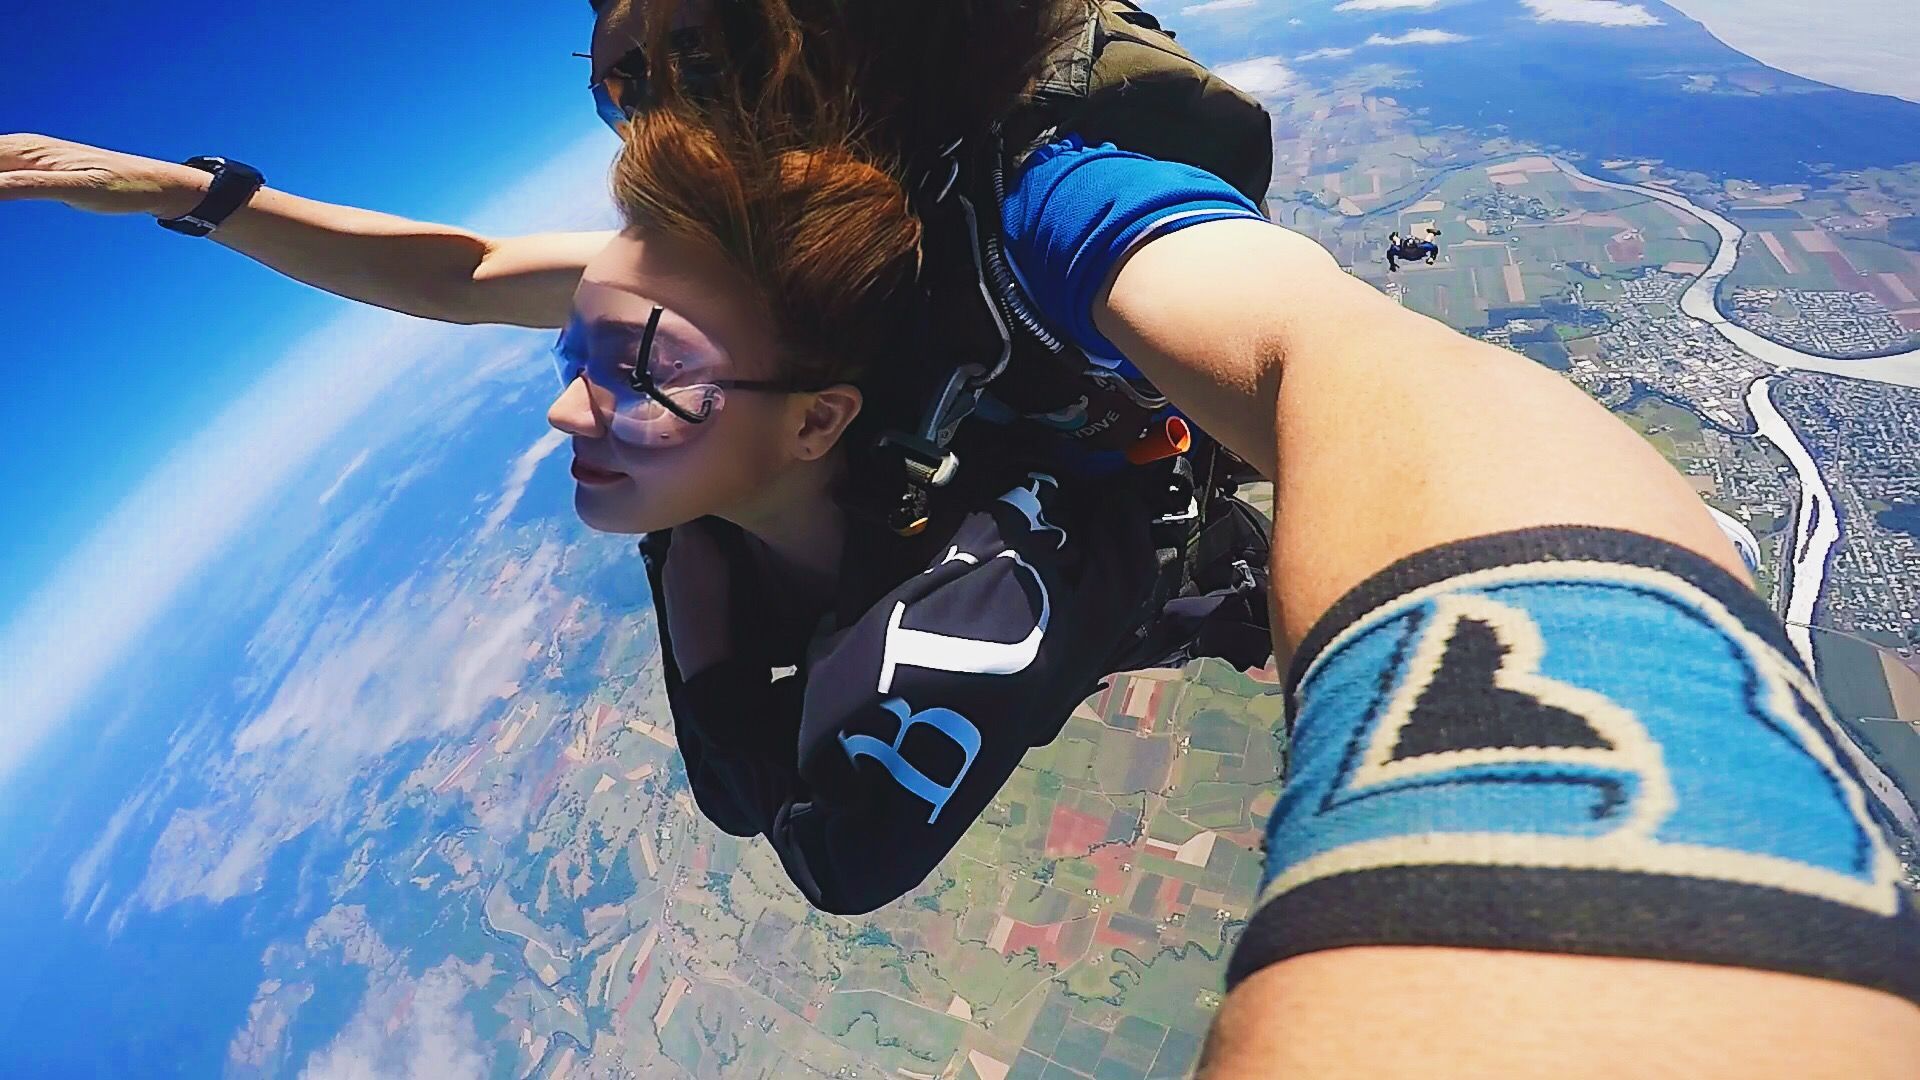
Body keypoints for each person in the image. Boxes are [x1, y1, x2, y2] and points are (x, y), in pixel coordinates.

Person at [9, 3, 1920, 1075]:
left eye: (699, 61)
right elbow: (461, 269)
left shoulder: (1044, 184)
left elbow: (1322, 344)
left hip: (1091, 497)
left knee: (835, 818)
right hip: (927, 481)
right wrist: (195, 192)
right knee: (756, 761)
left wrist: (1585, 840)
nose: (661, 110)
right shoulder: (740, 237)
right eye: (623, 79)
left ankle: (1155, 570)